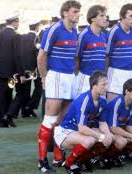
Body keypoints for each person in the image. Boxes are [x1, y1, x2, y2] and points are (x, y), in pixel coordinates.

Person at [37, 1, 81, 172]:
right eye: (75, 11)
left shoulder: (75, 30)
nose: (78, 15)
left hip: (70, 77)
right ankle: (41, 160)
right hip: (56, 75)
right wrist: (44, 77)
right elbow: (41, 56)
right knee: (50, 119)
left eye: (79, 11)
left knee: (63, 121)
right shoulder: (54, 29)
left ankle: (57, 158)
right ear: (65, 13)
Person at [54, 71, 113, 173]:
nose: (106, 87)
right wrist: (101, 137)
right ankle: (69, 164)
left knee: (111, 137)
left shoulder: (102, 101)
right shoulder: (84, 100)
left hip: (80, 131)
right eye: (103, 84)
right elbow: (82, 128)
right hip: (66, 131)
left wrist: (107, 135)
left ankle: (82, 161)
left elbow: (102, 123)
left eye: (107, 84)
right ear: (94, 85)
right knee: (89, 140)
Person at [106, 79, 132, 164]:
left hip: (121, 130)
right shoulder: (117, 103)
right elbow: (113, 128)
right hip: (108, 130)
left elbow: (130, 125)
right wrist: (131, 136)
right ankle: (107, 157)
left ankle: (125, 154)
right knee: (122, 142)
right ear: (127, 91)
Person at [0, 12, 21, 127]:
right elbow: (17, 55)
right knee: (9, 94)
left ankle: (2, 121)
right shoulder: (16, 35)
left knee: (1, 96)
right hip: (11, 71)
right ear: (14, 22)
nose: (18, 24)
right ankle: (8, 117)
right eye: (18, 22)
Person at [106, 3, 132, 101]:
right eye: (131, 16)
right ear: (122, 17)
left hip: (130, 72)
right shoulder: (114, 31)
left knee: (129, 102)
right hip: (116, 72)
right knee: (112, 102)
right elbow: (107, 54)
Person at [75, 5, 108, 97]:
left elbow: (105, 58)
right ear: (93, 18)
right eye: (101, 16)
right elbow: (76, 57)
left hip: (100, 80)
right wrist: (77, 77)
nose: (105, 18)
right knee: (82, 107)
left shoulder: (104, 36)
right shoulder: (83, 35)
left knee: (99, 108)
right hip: (85, 78)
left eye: (105, 16)